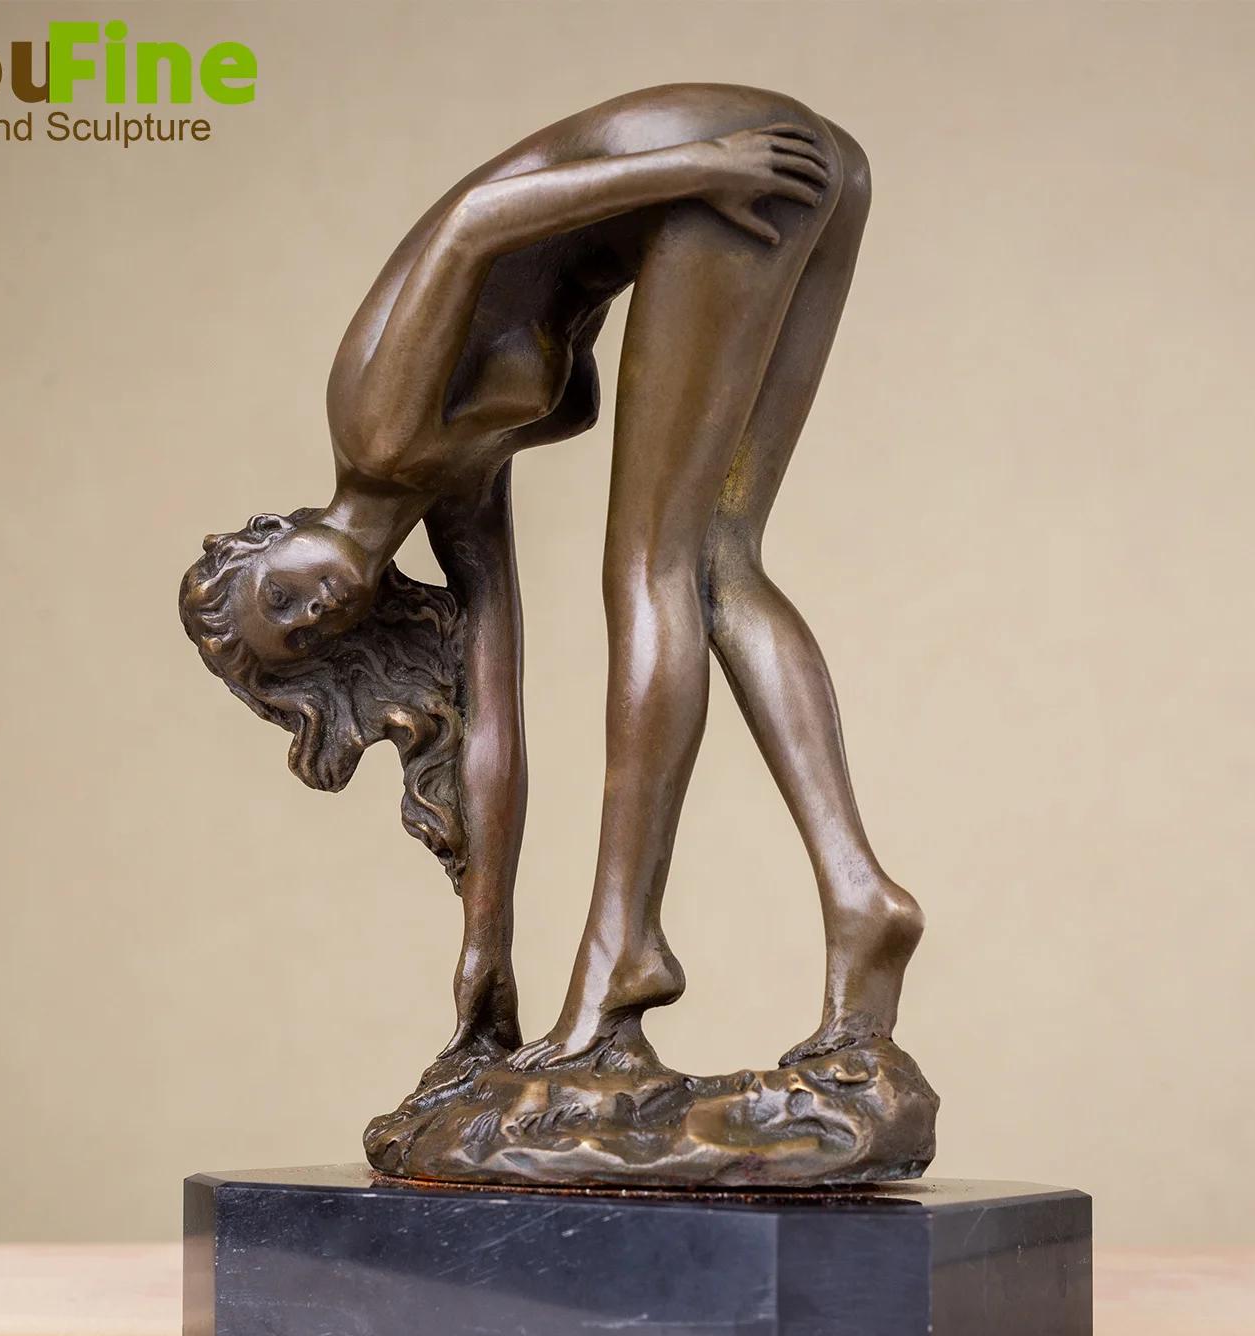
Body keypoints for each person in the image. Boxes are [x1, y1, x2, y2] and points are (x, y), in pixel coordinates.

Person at [180, 83, 922, 1074]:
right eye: (308, 635)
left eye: (281, 595)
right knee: (720, 561)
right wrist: (484, 947)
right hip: (791, 167)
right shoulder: (453, 486)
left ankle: (622, 958)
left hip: (712, 167)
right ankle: (859, 894)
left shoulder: (378, 433)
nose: (315, 608)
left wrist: (697, 170)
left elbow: (473, 226)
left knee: (651, 572)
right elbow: (495, 718)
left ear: (274, 533)